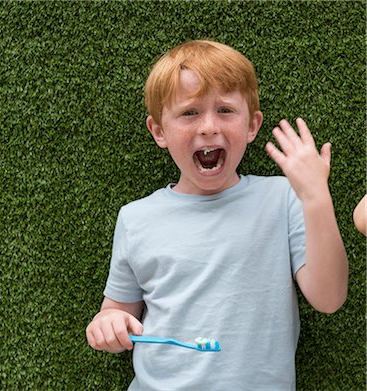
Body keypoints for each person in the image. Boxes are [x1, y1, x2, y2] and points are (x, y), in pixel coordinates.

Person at [86, 40, 348, 390]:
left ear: (252, 125)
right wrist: (108, 324)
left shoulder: (282, 198)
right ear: (159, 131)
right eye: (190, 113)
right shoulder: (136, 219)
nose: (209, 126)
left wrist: (316, 197)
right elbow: (117, 310)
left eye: (225, 110)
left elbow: (329, 298)